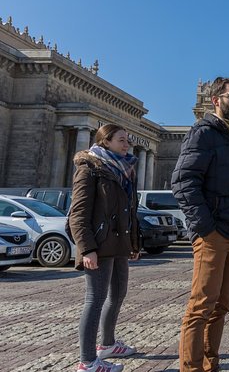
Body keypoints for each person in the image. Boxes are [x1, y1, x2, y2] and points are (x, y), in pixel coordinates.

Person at [171, 77, 229, 372]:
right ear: (216, 100)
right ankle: (191, 368)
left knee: (222, 306)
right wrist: (206, 228)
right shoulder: (203, 133)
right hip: (215, 235)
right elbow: (183, 182)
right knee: (200, 306)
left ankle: (211, 363)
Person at [69, 124, 140, 372]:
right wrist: (87, 249)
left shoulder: (124, 170)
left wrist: (133, 244)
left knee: (118, 294)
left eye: (128, 140)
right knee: (95, 300)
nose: (127, 144)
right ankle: (87, 361)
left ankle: (107, 344)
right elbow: (77, 215)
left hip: (119, 244)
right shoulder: (89, 170)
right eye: (121, 140)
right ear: (105, 142)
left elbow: (129, 212)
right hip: (98, 246)